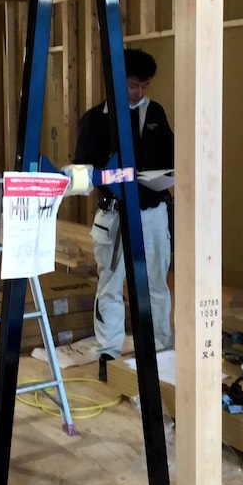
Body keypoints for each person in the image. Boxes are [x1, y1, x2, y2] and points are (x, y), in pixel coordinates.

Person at [73, 48, 174, 381]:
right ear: (117, 82)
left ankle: (161, 350)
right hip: (114, 214)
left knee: (156, 285)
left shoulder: (155, 113)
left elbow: (172, 157)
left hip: (153, 212)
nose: (139, 93)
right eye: (133, 86)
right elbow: (84, 170)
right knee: (111, 286)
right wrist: (110, 175)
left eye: (144, 86)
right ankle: (109, 353)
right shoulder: (95, 120)